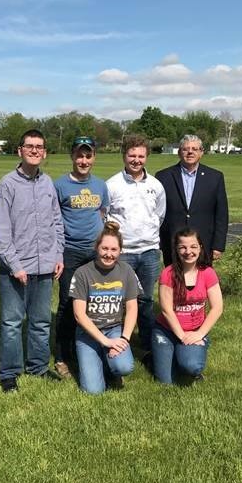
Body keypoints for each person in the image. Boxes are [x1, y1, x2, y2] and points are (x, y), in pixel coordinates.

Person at [0, 129, 65, 393]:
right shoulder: (7, 185)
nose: (35, 151)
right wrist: (15, 265)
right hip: (16, 269)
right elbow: (1, 231)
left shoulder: (48, 184)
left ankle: (38, 366)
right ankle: (9, 372)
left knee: (41, 320)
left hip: (45, 265)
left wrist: (58, 255)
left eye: (39, 147)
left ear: (44, 152)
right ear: (20, 150)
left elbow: (57, 222)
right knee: (12, 322)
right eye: (29, 146)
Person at [53, 136, 109, 378]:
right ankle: (62, 355)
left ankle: (87, 348)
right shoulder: (60, 185)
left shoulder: (100, 185)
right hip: (70, 252)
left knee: (94, 303)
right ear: (72, 157)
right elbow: (53, 220)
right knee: (67, 303)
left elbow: (103, 212)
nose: (83, 160)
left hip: (95, 253)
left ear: (94, 158)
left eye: (88, 156)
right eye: (79, 155)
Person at [106, 135, 166, 359]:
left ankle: (148, 344)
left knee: (146, 300)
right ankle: (120, 342)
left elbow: (159, 216)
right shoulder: (112, 185)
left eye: (141, 156)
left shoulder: (155, 186)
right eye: (132, 155)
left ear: (146, 157)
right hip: (124, 253)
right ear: (124, 156)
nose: (136, 160)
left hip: (149, 252)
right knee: (120, 300)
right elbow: (106, 217)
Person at [70, 222, 140, 394]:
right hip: (88, 333)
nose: (109, 254)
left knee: (124, 366)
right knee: (93, 391)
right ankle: (97, 357)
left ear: (120, 251)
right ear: (97, 248)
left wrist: (124, 339)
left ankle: (111, 367)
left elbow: (132, 308)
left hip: (114, 329)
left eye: (114, 250)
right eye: (104, 248)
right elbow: (79, 315)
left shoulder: (127, 271)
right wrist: (105, 342)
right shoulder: (82, 273)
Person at [151, 228, 223, 384]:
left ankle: (188, 355)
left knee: (191, 366)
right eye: (182, 247)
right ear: (176, 250)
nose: (188, 251)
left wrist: (199, 334)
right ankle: (158, 353)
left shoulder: (208, 273)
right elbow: (166, 310)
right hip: (167, 330)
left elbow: (217, 308)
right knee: (165, 381)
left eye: (193, 246)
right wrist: (183, 337)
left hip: (195, 330)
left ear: (200, 248)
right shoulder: (168, 273)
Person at [155, 134, 228, 267]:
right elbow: (156, 213)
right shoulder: (163, 176)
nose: (190, 152)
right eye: (186, 149)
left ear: (201, 152)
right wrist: (159, 242)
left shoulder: (215, 177)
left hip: (203, 243)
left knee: (200, 284)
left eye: (195, 149)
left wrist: (218, 245)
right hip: (173, 243)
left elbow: (221, 214)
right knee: (174, 282)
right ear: (179, 152)